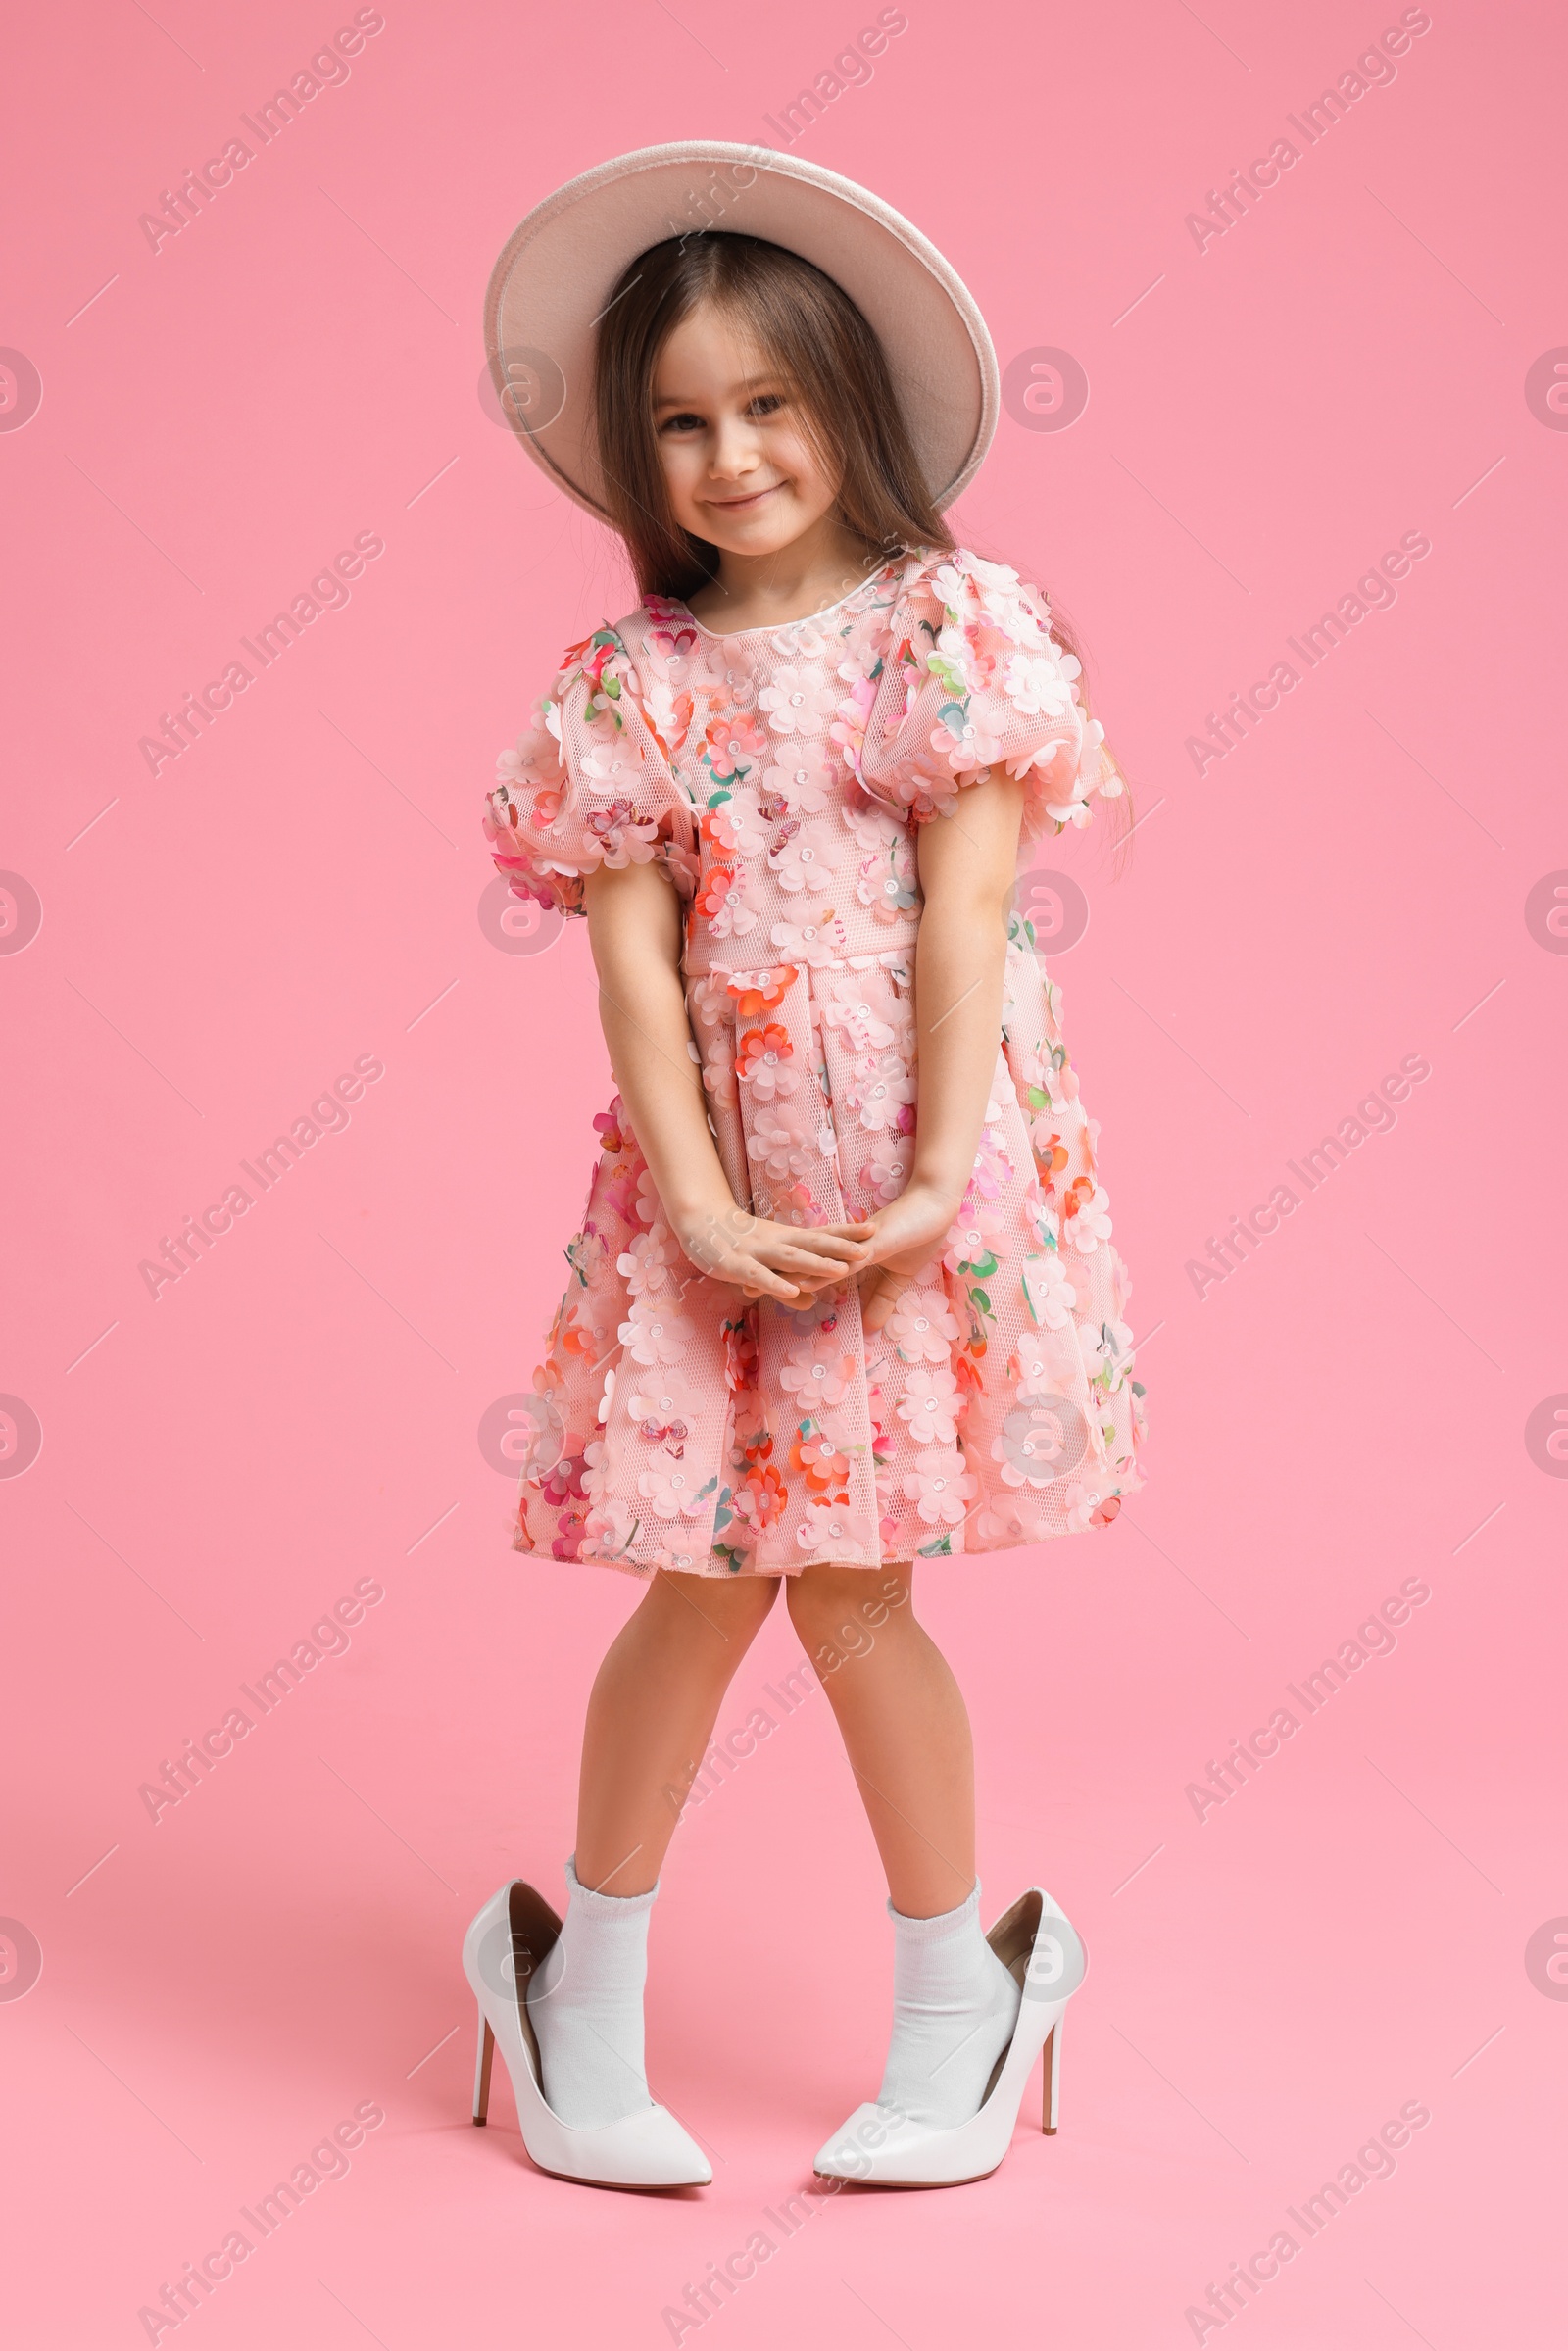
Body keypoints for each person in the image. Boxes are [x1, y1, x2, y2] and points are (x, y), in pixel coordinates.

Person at [466, 144, 1145, 2191]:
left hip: (908, 1187)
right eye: (678, 420)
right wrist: (686, 1201)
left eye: (765, 403)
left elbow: (963, 921)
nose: (728, 452)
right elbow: (634, 980)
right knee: (699, 1580)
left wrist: (937, 1184)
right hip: (719, 1197)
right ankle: (573, 1992)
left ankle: (967, 1991)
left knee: (853, 1594)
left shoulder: (946, 624)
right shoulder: (628, 686)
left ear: (844, 399)